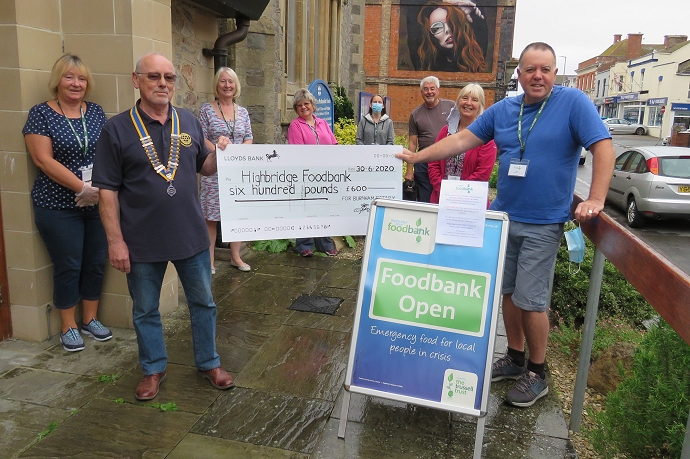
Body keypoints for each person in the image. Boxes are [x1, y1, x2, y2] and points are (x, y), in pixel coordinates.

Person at [397, 42, 616, 407]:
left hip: (543, 222)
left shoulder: (573, 103)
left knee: (532, 301)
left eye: (545, 69)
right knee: (509, 294)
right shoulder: (503, 110)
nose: (538, 75)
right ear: (519, 74)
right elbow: (462, 140)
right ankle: (514, 358)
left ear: (554, 73)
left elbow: (603, 147)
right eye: (530, 69)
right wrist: (417, 156)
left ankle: (537, 372)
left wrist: (595, 199)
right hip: (503, 218)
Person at [92, 53, 234, 401]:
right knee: (145, 309)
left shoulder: (188, 120)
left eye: (169, 78)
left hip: (192, 236)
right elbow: (107, 191)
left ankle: (209, 363)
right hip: (141, 240)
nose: (162, 84)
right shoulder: (117, 128)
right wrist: (115, 241)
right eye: (154, 76)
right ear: (135, 79)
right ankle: (153, 368)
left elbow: (206, 167)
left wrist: (222, 152)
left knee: (204, 304)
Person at [23, 54, 112, 352]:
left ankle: (89, 318)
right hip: (58, 206)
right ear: (57, 81)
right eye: (69, 77)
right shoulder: (42, 114)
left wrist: (99, 189)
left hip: (97, 203)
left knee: (96, 262)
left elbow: (111, 152)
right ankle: (68, 325)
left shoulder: (96, 112)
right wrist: (81, 187)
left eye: (82, 78)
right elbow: (42, 159)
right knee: (69, 265)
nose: (76, 84)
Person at [198, 67, 252, 274]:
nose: (227, 85)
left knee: (236, 213)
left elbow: (249, 137)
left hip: (237, 170)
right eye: (223, 81)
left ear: (236, 85)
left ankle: (236, 256)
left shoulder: (243, 112)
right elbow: (201, 137)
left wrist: (236, 155)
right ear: (217, 85)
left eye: (230, 82)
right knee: (211, 217)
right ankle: (209, 260)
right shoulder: (206, 110)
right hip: (214, 169)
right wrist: (221, 155)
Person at [287, 88, 339, 258]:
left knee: (323, 207)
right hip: (306, 174)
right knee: (306, 208)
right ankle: (304, 244)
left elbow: (334, 144)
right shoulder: (295, 126)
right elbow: (298, 153)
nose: (303, 107)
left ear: (312, 105)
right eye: (299, 105)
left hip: (325, 174)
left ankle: (324, 243)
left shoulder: (322, 123)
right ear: (296, 109)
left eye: (306, 103)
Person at [427, 83, 496, 204]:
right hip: (441, 199)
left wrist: (459, 194)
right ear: (458, 102)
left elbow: (483, 173)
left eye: (474, 100)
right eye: (465, 98)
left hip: (471, 202)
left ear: (480, 105)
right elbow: (433, 164)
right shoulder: (445, 131)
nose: (468, 103)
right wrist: (443, 190)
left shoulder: (486, 136)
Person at [405, 76, 455, 203]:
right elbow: (412, 143)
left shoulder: (451, 107)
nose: (429, 92)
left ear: (438, 90)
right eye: (425, 89)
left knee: (446, 197)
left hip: (446, 161)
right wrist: (409, 170)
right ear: (421, 92)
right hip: (423, 163)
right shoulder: (415, 114)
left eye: (432, 88)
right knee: (425, 199)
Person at [417, 1, 487, 73]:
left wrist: (476, 17)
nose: (447, 30)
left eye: (450, 23)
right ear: (430, 35)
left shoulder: (472, 58)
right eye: (437, 27)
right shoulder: (430, 65)